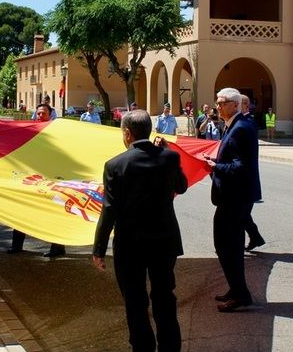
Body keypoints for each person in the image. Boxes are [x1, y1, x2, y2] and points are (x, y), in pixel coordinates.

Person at [92, 110, 188, 351]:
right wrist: (168, 151)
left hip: (130, 244)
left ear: (126, 134)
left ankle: (143, 346)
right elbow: (182, 186)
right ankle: (170, 346)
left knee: (135, 302)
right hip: (164, 241)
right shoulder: (169, 158)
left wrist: (99, 249)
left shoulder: (115, 165)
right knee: (165, 297)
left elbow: (109, 210)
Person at [203, 88, 263, 312]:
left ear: (235, 105)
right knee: (227, 245)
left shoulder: (240, 128)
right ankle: (237, 289)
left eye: (222, 103)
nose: (217, 106)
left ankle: (240, 294)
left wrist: (215, 166)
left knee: (228, 246)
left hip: (235, 198)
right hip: (232, 197)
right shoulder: (234, 126)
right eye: (217, 102)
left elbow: (241, 167)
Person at [8, 104, 66, 258]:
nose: (40, 116)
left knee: (52, 213)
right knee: (22, 210)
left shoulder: (57, 131)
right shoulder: (29, 130)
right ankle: (16, 245)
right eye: (38, 113)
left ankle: (58, 246)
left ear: (50, 114)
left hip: (51, 178)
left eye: (44, 113)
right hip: (31, 177)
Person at [240, 94, 265, 253]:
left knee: (240, 215)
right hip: (245, 180)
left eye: (237, 104)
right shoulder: (242, 122)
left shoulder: (247, 123)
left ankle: (253, 238)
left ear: (245, 106)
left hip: (246, 180)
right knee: (242, 215)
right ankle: (255, 237)